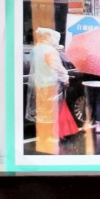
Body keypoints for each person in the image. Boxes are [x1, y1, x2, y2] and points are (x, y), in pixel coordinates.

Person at [26, 27, 69, 155]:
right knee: (51, 112)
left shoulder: (36, 49)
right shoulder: (49, 51)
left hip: (38, 84)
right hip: (50, 85)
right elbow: (57, 67)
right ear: (48, 37)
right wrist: (65, 77)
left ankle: (42, 137)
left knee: (42, 112)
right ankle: (51, 138)